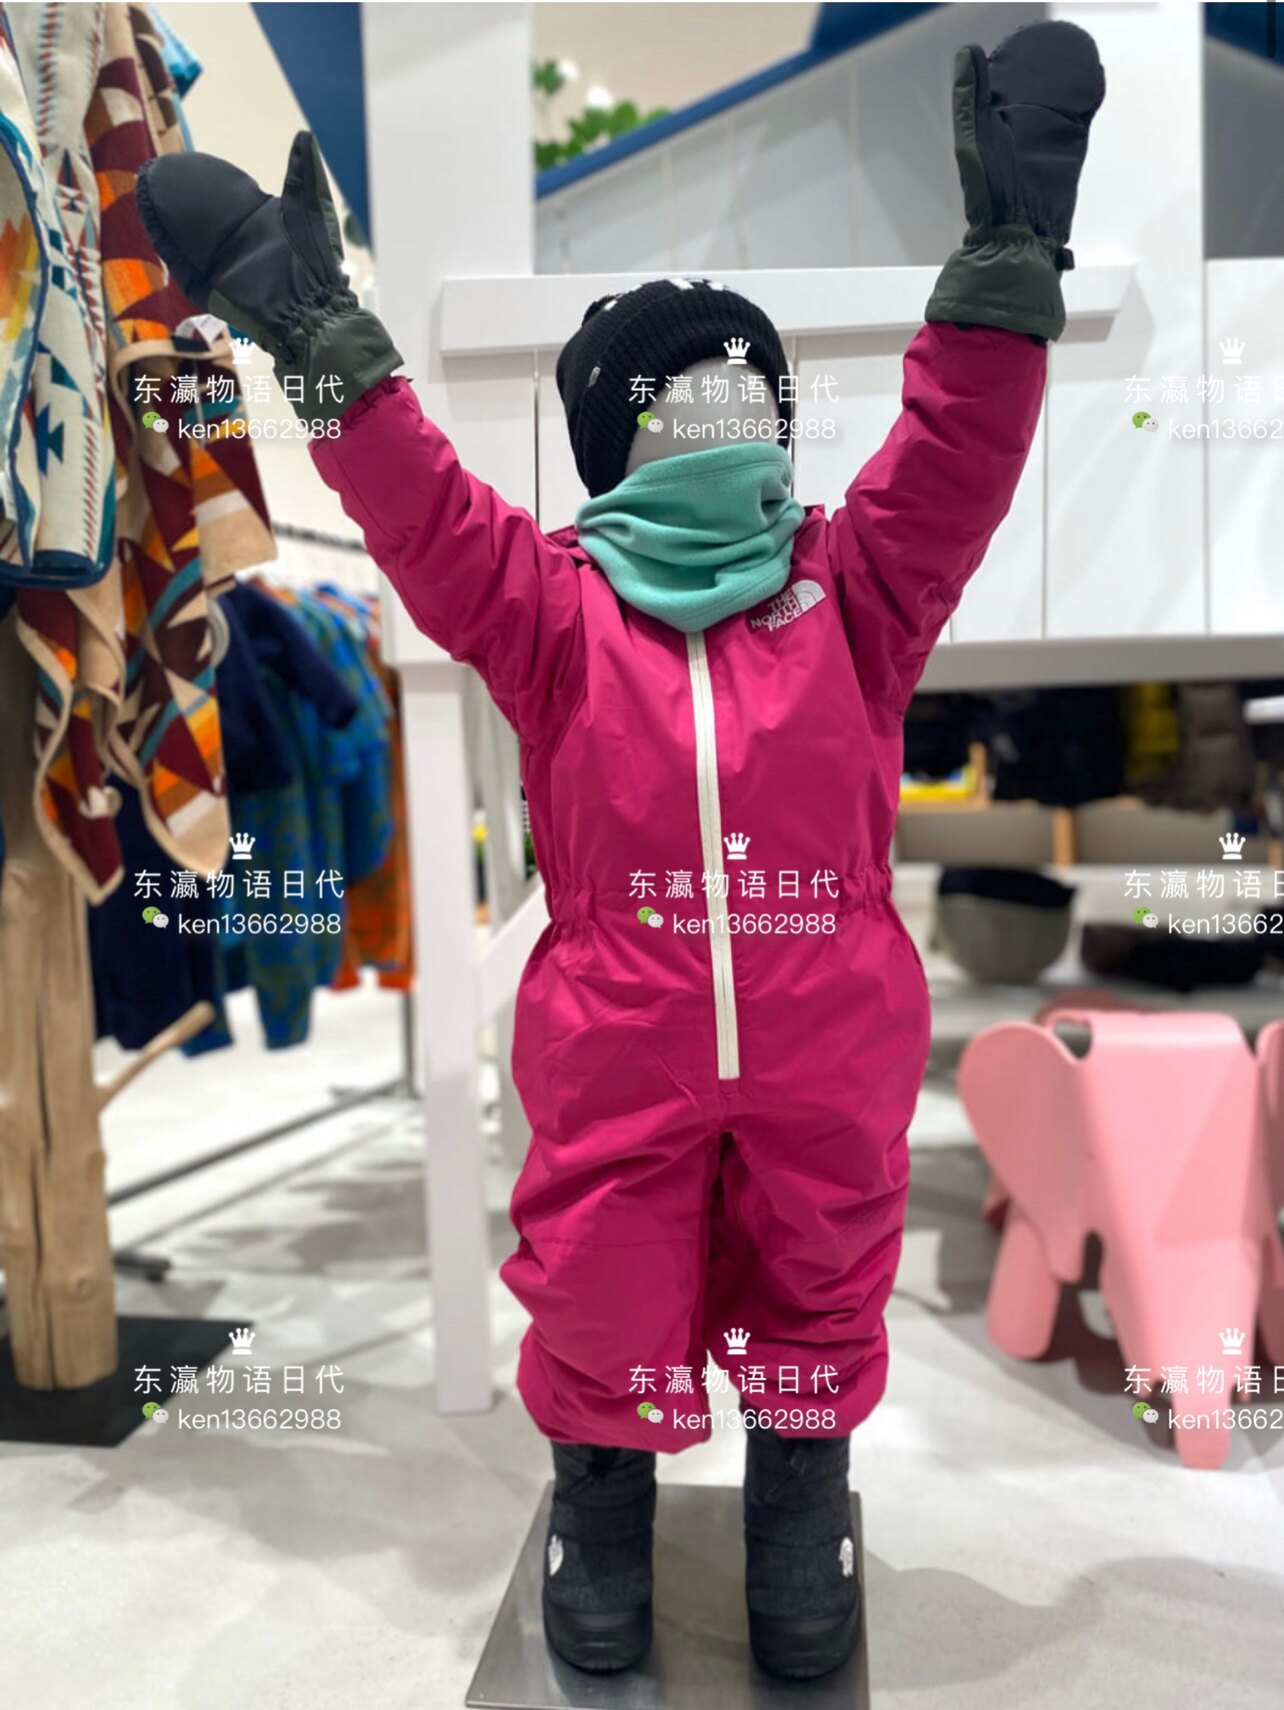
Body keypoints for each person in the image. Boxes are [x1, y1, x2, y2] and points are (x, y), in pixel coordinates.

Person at [137, 18, 1104, 1681]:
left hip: (826, 1042)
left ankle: (802, 1498)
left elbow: (955, 461)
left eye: (747, 398)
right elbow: (422, 512)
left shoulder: (855, 592)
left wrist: (1008, 273)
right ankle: (603, 1501)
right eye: (681, 403)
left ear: (782, 429)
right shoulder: (554, 611)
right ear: (608, 442)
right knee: (600, 1278)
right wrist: (321, 337)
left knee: (824, 1269)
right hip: (617, 1045)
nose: (721, 425)